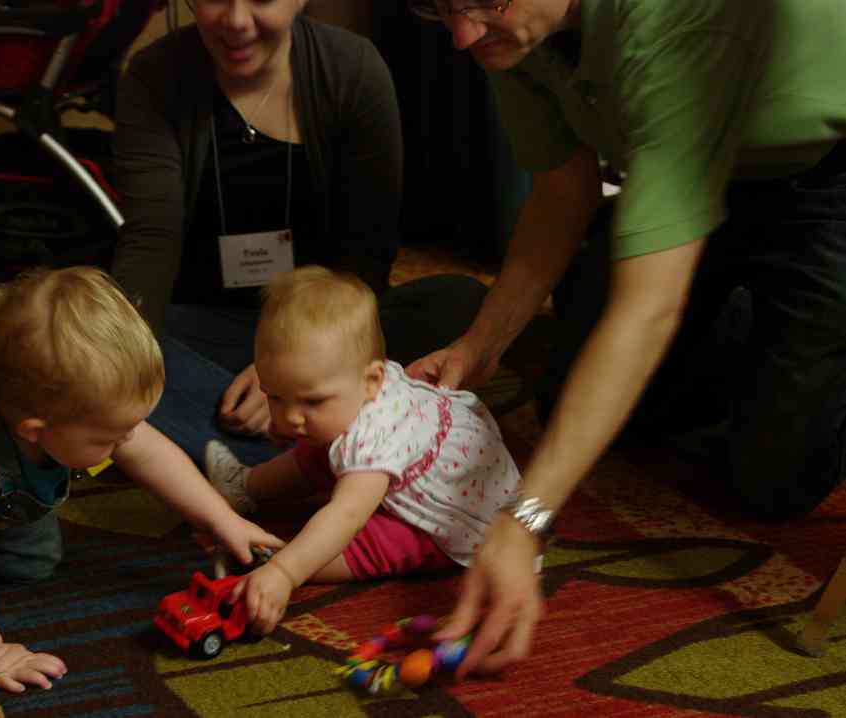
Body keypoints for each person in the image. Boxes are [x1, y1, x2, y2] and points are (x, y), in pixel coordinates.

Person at [401, 0, 846, 679]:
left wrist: (523, 522)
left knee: (769, 482)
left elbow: (646, 309)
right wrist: (479, 347)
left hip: (824, 174)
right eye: (436, 8)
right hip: (693, 170)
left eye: (486, 1)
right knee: (588, 409)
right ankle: (742, 338)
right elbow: (560, 188)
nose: (460, 35)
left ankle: (782, 347)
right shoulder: (506, 31)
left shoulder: (673, 20)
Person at [0, 266, 283, 693]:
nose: (126, 440)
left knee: (37, 561)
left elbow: (149, 452)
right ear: (36, 431)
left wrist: (223, 520)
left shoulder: (59, 413)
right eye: (109, 437)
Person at [111, 0, 490, 469]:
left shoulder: (352, 68)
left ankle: (252, 445)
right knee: (101, 340)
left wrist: (287, 369)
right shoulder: (154, 75)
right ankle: (334, 445)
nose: (236, 20)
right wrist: (115, 352)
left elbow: (366, 255)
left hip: (328, 329)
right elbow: (151, 243)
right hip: (207, 326)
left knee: (461, 304)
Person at [203, 266, 521, 633]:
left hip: (448, 518)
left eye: (311, 401)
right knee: (318, 446)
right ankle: (246, 485)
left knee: (374, 539)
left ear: (372, 381)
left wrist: (284, 572)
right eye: (275, 396)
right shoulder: (353, 384)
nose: (290, 416)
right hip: (409, 469)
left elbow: (345, 515)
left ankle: (268, 561)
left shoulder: (376, 439)